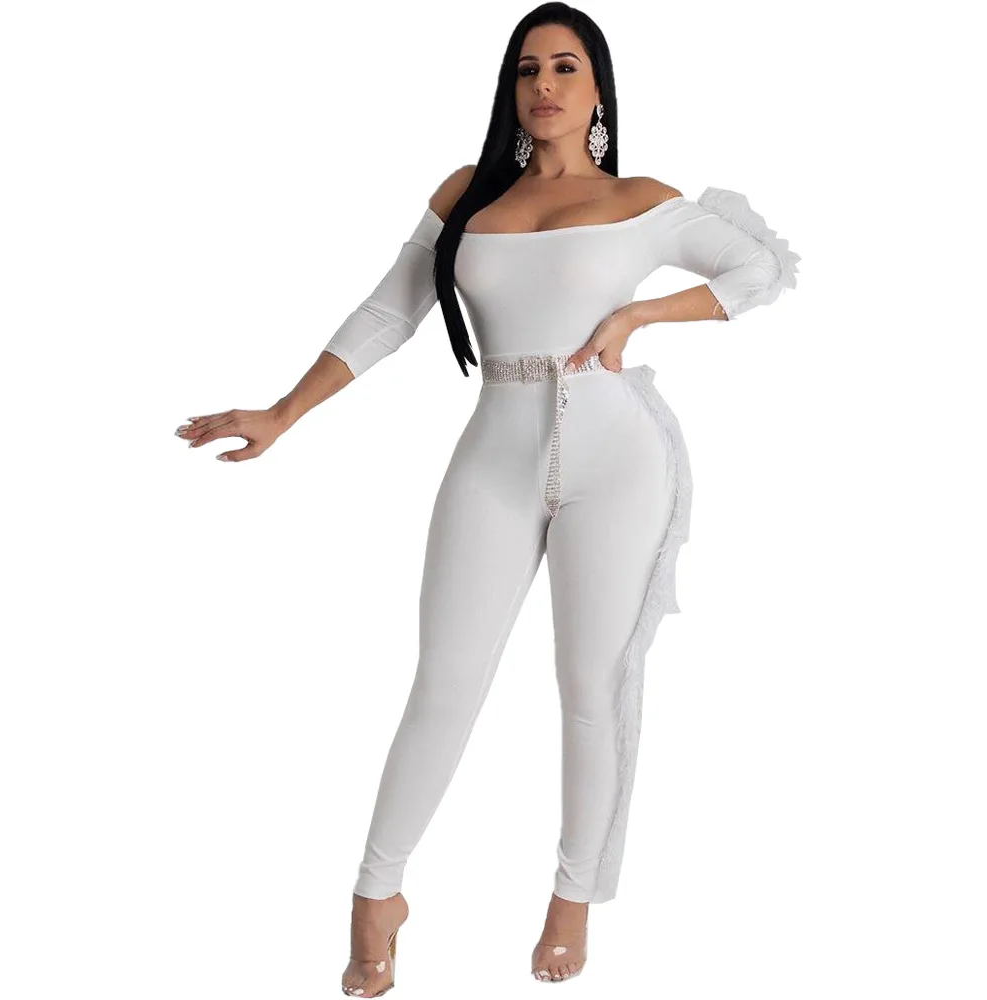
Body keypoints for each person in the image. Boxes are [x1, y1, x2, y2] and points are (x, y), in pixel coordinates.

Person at [175, 5, 799, 994]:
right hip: (494, 454)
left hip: (616, 458)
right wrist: (284, 413)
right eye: (526, 69)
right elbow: (389, 310)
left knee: (590, 687)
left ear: (598, 90)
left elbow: (763, 268)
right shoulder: (467, 195)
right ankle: (376, 893)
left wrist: (640, 312)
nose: (543, 85)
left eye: (565, 67)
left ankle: (571, 898)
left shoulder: (642, 200)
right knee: (445, 680)